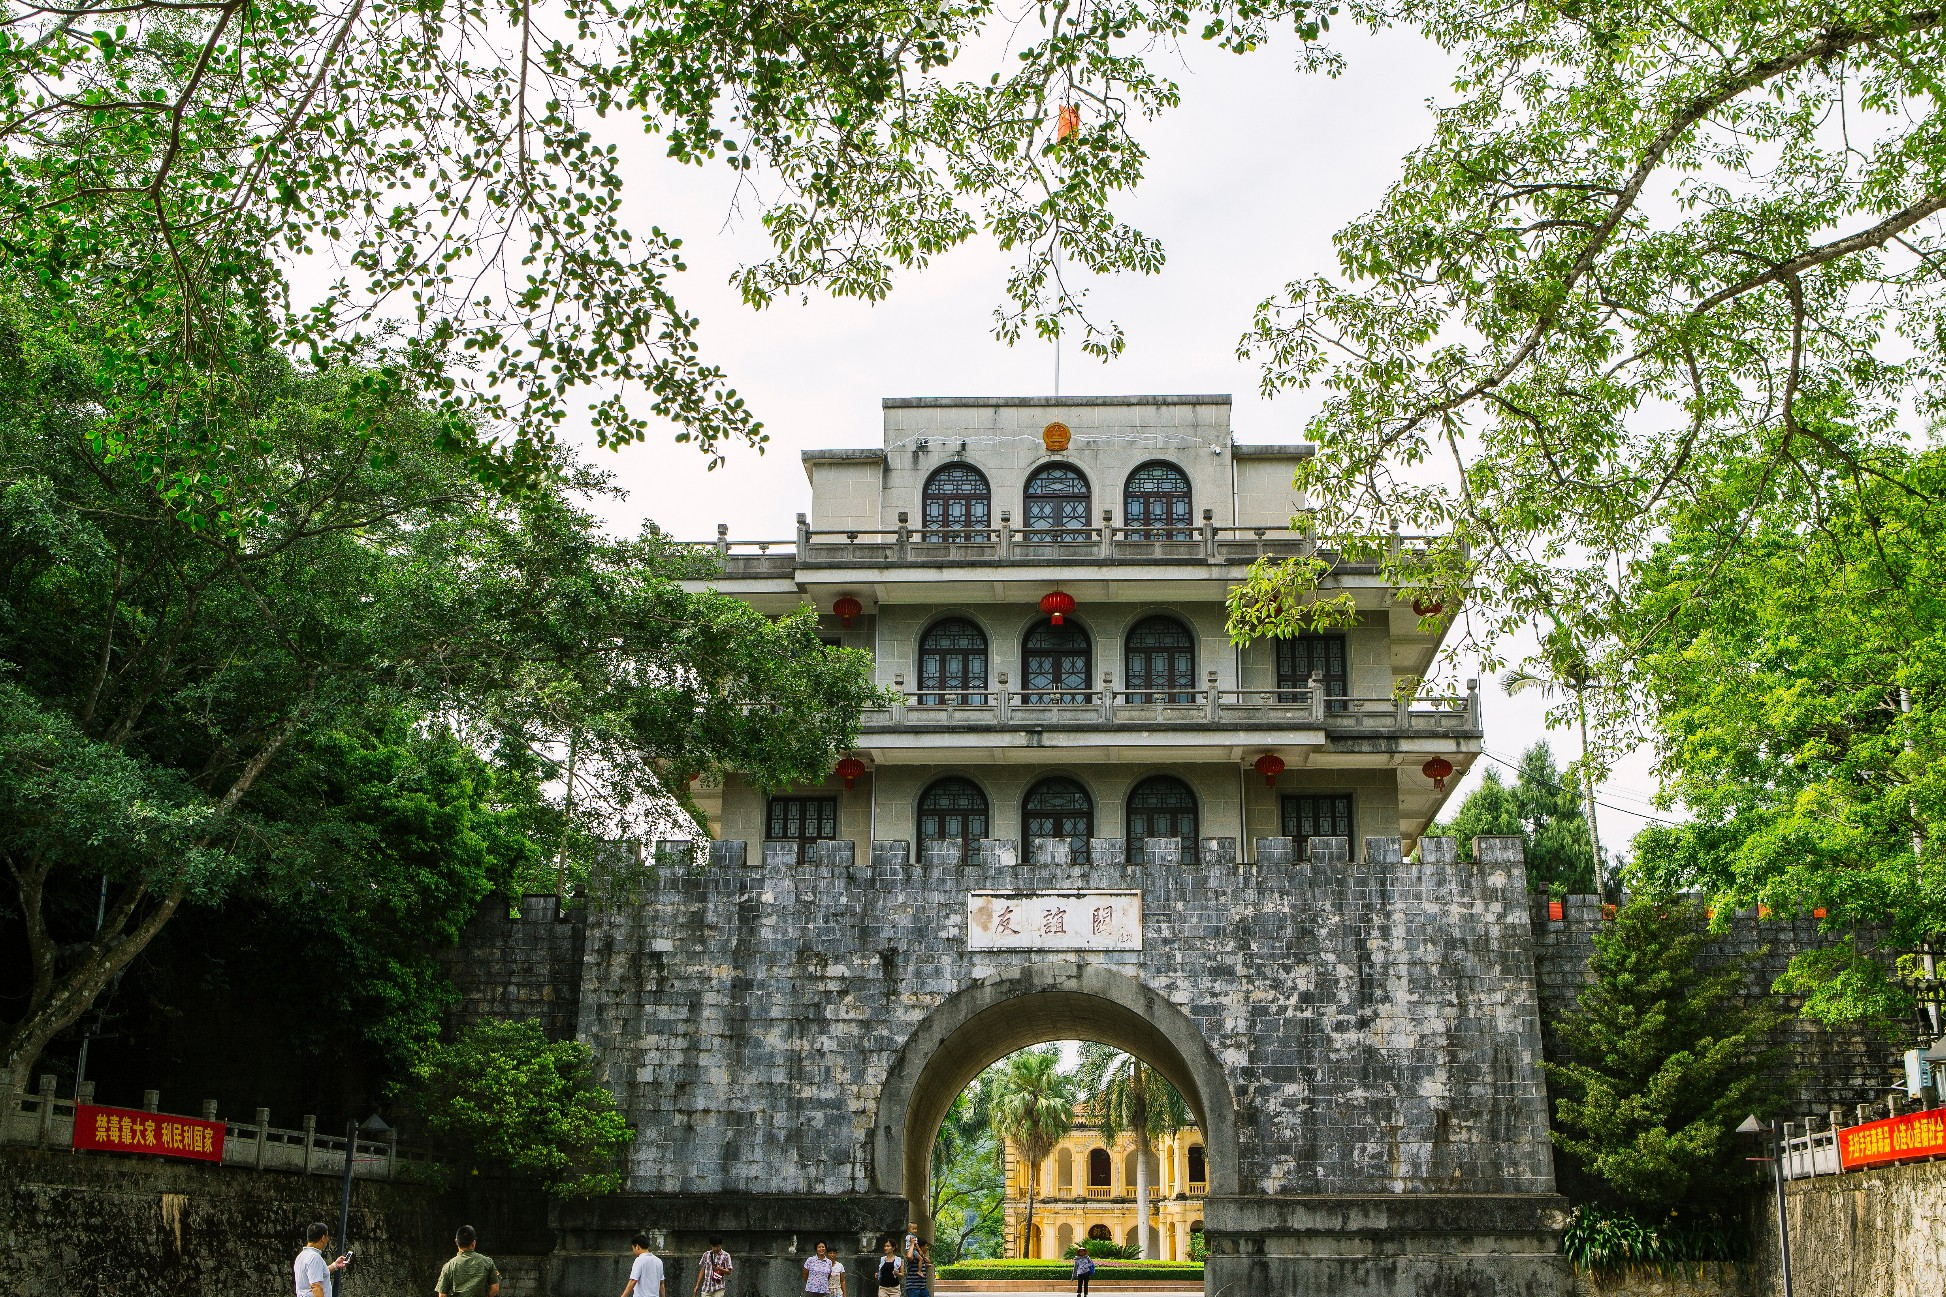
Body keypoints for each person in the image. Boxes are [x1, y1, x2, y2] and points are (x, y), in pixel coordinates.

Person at [435, 1224, 501, 1297]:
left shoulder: (449, 1266)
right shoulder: (487, 1262)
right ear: (474, 1242)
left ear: (456, 1242)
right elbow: (495, 1288)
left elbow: (442, 1295)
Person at [294, 1222, 348, 1297]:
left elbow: (315, 1273)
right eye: (327, 1236)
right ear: (323, 1238)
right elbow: (315, 1286)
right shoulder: (314, 1257)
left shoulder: (301, 1256)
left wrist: (335, 1265)